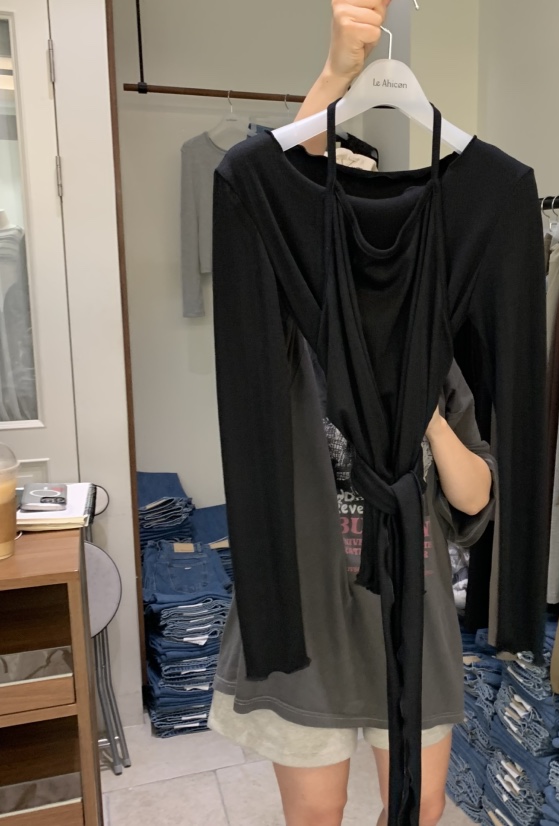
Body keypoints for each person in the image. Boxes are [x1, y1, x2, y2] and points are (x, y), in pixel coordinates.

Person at [207, 3, 495, 824]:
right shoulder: (290, 340)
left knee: (422, 808)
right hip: (307, 619)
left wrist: (425, 416)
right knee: (317, 816)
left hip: (412, 618)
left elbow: (475, 498)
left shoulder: (433, 347)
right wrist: (335, 74)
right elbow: (265, 192)